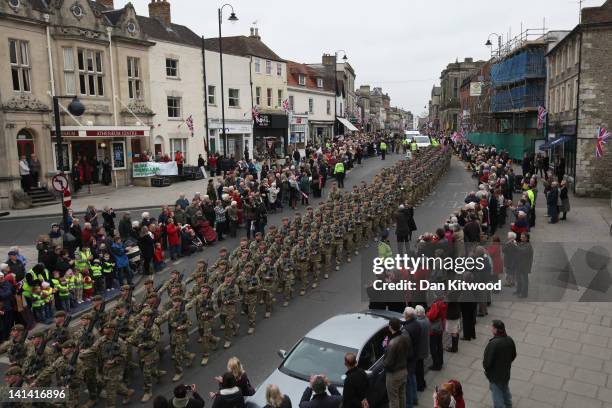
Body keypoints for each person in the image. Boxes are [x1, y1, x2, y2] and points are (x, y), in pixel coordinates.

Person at [483, 320, 516, 408]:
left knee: (497, 395)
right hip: (506, 372)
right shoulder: (509, 340)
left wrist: (487, 370)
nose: (491, 329)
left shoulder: (493, 343)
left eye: (492, 327)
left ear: (496, 330)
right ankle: (508, 404)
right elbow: (513, 355)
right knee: (505, 389)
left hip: (495, 375)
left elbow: (487, 362)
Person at [383, 317, 412, 408]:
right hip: (404, 370)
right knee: (402, 395)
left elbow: (388, 363)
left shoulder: (392, 343)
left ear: (390, 327)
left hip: (394, 374)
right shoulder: (406, 336)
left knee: (393, 399)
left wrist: (384, 362)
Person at [414, 305, 430, 392]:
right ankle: (422, 383)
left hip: (419, 350)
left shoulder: (419, 323)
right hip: (424, 348)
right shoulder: (426, 320)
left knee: (418, 369)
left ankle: (420, 385)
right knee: (420, 367)